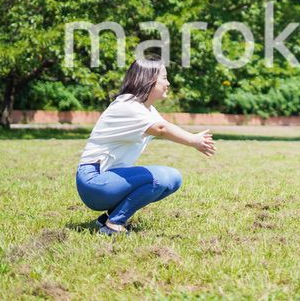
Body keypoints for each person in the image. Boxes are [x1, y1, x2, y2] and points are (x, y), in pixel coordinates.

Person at [75, 57, 216, 235]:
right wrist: (194, 140)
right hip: (94, 181)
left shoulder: (146, 109)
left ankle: (107, 218)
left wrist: (193, 138)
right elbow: (162, 129)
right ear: (148, 79)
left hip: (110, 180)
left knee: (173, 178)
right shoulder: (127, 105)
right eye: (164, 77)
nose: (168, 82)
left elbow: (165, 127)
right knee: (159, 178)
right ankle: (113, 226)